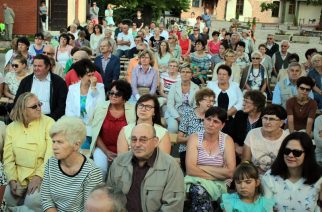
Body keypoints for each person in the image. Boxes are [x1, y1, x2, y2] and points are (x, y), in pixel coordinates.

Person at [107, 123, 185, 212]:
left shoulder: (171, 167)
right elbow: (109, 197)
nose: (137, 144)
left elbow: (173, 206)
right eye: (133, 140)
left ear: (155, 142)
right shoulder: (119, 162)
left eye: (143, 140)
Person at [4, 92, 54, 211]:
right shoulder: (11, 128)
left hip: (41, 173)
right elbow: (8, 158)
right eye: (34, 106)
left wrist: (39, 176)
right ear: (22, 110)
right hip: (19, 174)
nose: (39, 108)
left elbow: (50, 155)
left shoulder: (49, 123)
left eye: (40, 104)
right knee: (6, 199)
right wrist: (12, 180)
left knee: (32, 202)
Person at [40, 116, 103, 211]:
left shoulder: (92, 172)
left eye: (60, 142)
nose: (54, 147)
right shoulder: (51, 162)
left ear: (76, 145)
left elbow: (89, 209)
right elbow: (46, 197)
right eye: (53, 141)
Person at [185, 106, 235, 211]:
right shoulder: (194, 138)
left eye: (216, 121)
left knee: (200, 193)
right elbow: (190, 169)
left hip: (221, 184)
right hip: (196, 181)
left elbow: (230, 172)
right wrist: (219, 173)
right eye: (208, 119)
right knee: (199, 191)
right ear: (204, 119)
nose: (210, 124)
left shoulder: (227, 140)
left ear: (222, 125)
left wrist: (200, 167)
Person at [262, 132, 322, 211]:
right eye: (287, 151)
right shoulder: (269, 177)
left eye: (297, 152)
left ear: (307, 154)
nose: (290, 155)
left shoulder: (319, 177)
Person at [89, 80, 134, 179]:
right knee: (100, 170)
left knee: (123, 174)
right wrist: (106, 151)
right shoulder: (101, 108)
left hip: (126, 150)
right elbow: (96, 134)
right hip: (103, 148)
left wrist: (123, 152)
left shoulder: (133, 110)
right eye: (111, 93)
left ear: (125, 97)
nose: (113, 96)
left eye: (118, 94)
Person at [65, 59, 105, 150]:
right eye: (88, 75)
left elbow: (100, 109)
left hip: (94, 128)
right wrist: (77, 126)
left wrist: (94, 88)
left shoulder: (100, 87)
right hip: (77, 128)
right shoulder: (72, 88)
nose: (92, 78)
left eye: (92, 74)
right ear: (80, 76)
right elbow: (69, 110)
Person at [15, 54, 68, 121]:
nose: (36, 68)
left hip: (51, 119)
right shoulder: (26, 81)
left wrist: (49, 120)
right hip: (28, 119)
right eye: (34, 66)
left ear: (48, 67)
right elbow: (18, 100)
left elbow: (62, 105)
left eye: (39, 66)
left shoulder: (59, 82)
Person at [242, 104, 289, 174]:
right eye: (265, 118)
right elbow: (245, 161)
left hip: (278, 177)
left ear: (281, 122)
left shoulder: (287, 138)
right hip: (254, 176)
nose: (267, 122)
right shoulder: (252, 134)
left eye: (272, 119)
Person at [178, 88, 215, 172]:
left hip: (206, 152)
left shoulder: (213, 117)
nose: (211, 104)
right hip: (187, 150)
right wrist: (194, 139)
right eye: (208, 101)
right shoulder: (188, 113)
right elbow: (179, 139)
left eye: (213, 101)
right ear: (199, 101)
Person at [229, 91, 266, 159]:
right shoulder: (240, 115)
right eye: (244, 101)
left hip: (258, 155)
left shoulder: (265, 118)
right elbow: (231, 134)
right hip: (238, 153)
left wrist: (247, 151)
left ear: (256, 105)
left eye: (247, 102)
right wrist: (236, 146)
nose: (243, 104)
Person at [208, 64, 243, 130]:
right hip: (214, 117)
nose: (221, 76)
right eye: (219, 74)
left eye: (224, 74)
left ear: (229, 76)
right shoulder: (211, 85)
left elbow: (241, 101)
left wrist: (231, 111)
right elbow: (207, 100)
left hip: (230, 116)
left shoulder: (235, 86)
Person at [165, 63, 199, 133]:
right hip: (174, 113)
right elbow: (170, 105)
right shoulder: (174, 86)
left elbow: (196, 106)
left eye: (188, 72)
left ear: (192, 75)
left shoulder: (196, 87)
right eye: (183, 72)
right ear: (180, 74)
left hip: (190, 114)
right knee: (173, 127)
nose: (185, 74)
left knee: (194, 129)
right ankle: (170, 143)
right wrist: (179, 118)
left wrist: (190, 118)